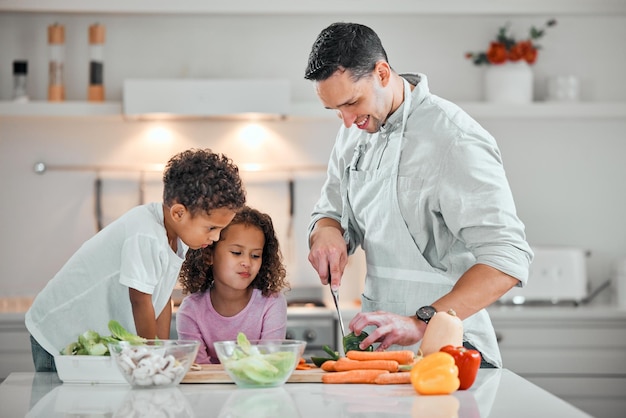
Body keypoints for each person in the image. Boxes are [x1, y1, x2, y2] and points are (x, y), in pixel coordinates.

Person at [304, 22, 533, 368]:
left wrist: (421, 321)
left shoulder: (454, 139)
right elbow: (331, 209)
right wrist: (326, 232)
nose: (347, 121)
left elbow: (507, 258)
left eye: (352, 103)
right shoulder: (354, 131)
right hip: (382, 352)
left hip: (451, 352)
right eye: (336, 110)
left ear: (382, 73)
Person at [25, 148, 246, 372]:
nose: (216, 237)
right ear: (178, 213)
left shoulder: (177, 239)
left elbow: (161, 300)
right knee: (62, 401)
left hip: (82, 336)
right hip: (57, 334)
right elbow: (140, 300)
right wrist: (151, 360)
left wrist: (163, 354)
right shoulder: (146, 234)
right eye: (211, 228)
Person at [175, 206, 289, 364]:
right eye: (236, 252)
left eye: (255, 255)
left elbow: (269, 363)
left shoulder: (272, 303)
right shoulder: (190, 311)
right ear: (209, 255)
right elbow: (199, 371)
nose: (247, 263)